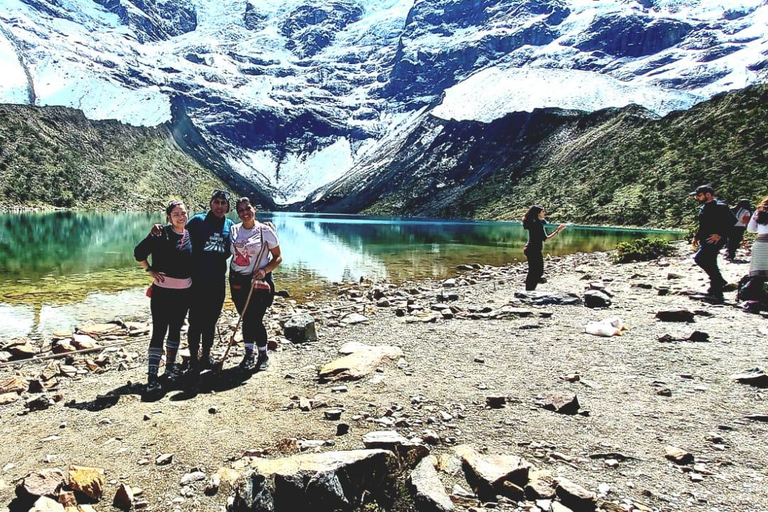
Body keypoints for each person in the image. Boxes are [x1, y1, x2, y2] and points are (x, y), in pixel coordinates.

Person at [134, 200, 193, 394]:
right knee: (159, 331)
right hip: (163, 293)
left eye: (183, 213)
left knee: (176, 329)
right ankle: (152, 377)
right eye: (176, 214)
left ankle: (169, 369)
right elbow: (138, 252)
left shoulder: (190, 234)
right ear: (169, 217)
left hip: (184, 294)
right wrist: (149, 270)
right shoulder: (160, 234)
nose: (181, 216)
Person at [229, 197, 282, 371]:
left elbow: (278, 257)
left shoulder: (265, 231)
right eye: (241, 210)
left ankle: (263, 354)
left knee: (256, 319)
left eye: (248, 208)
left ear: (255, 209)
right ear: (238, 213)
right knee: (246, 318)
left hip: (258, 281)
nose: (245, 212)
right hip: (237, 280)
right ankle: (248, 353)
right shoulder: (234, 230)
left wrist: (265, 271)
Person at [185, 190, 235, 376]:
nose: (220, 206)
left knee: (211, 321)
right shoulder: (197, 221)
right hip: (197, 281)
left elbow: (237, 245)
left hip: (217, 281)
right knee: (195, 321)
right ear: (211, 203)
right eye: (217, 202)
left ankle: (205, 356)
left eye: (223, 203)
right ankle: (192, 359)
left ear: (228, 207)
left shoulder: (230, 225)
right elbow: (179, 237)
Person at [689, 184, 737, 301]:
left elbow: (732, 222)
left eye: (699, 195)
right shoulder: (704, 207)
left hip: (715, 239)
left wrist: (720, 234)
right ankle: (716, 291)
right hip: (705, 239)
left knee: (700, 258)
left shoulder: (720, 206)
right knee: (710, 261)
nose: (697, 198)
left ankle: (719, 281)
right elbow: (703, 225)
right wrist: (696, 236)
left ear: (708, 194)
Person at [522, 205, 566, 291]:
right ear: (538, 213)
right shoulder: (537, 224)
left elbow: (543, 221)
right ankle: (529, 290)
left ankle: (530, 289)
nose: (545, 213)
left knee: (536, 271)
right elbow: (545, 239)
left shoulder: (534, 221)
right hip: (533, 250)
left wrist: (541, 219)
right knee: (535, 271)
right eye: (543, 211)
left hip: (531, 249)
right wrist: (558, 230)